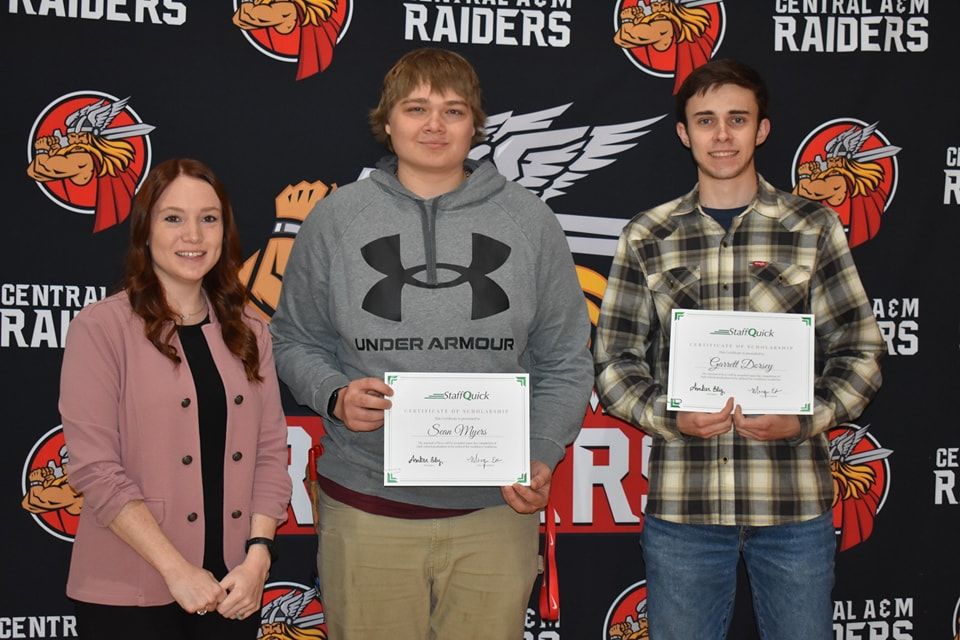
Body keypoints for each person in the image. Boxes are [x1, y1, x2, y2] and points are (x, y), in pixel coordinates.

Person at [270, 47, 593, 639]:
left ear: (476, 126)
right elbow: (292, 339)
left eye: (453, 110)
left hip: (495, 508)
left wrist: (542, 452)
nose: (435, 125)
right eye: (416, 108)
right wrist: (336, 395)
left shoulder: (529, 219)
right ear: (387, 122)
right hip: (366, 506)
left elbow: (566, 358)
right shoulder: (336, 219)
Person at [593, 59, 884, 640]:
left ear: (762, 129)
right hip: (686, 510)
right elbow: (614, 361)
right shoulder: (647, 234)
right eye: (705, 120)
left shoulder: (813, 226)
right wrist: (670, 417)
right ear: (684, 133)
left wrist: (806, 418)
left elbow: (861, 350)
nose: (721, 135)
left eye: (736, 119)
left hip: (793, 506)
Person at [59, 158, 292, 639]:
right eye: (173, 218)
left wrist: (258, 556)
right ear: (145, 231)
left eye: (208, 219)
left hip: (233, 592)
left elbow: (271, 453)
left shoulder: (251, 333)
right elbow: (95, 468)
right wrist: (177, 570)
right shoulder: (102, 329)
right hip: (128, 592)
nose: (193, 235)